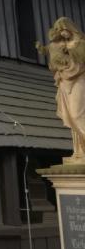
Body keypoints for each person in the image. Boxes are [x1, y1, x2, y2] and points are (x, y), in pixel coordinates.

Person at [37, 17, 85, 162]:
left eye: (63, 29)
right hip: (64, 81)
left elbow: (80, 64)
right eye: (59, 30)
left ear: (70, 28)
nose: (62, 33)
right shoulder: (61, 44)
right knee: (71, 117)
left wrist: (67, 59)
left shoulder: (80, 43)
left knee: (77, 115)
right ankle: (80, 152)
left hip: (78, 79)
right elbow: (53, 58)